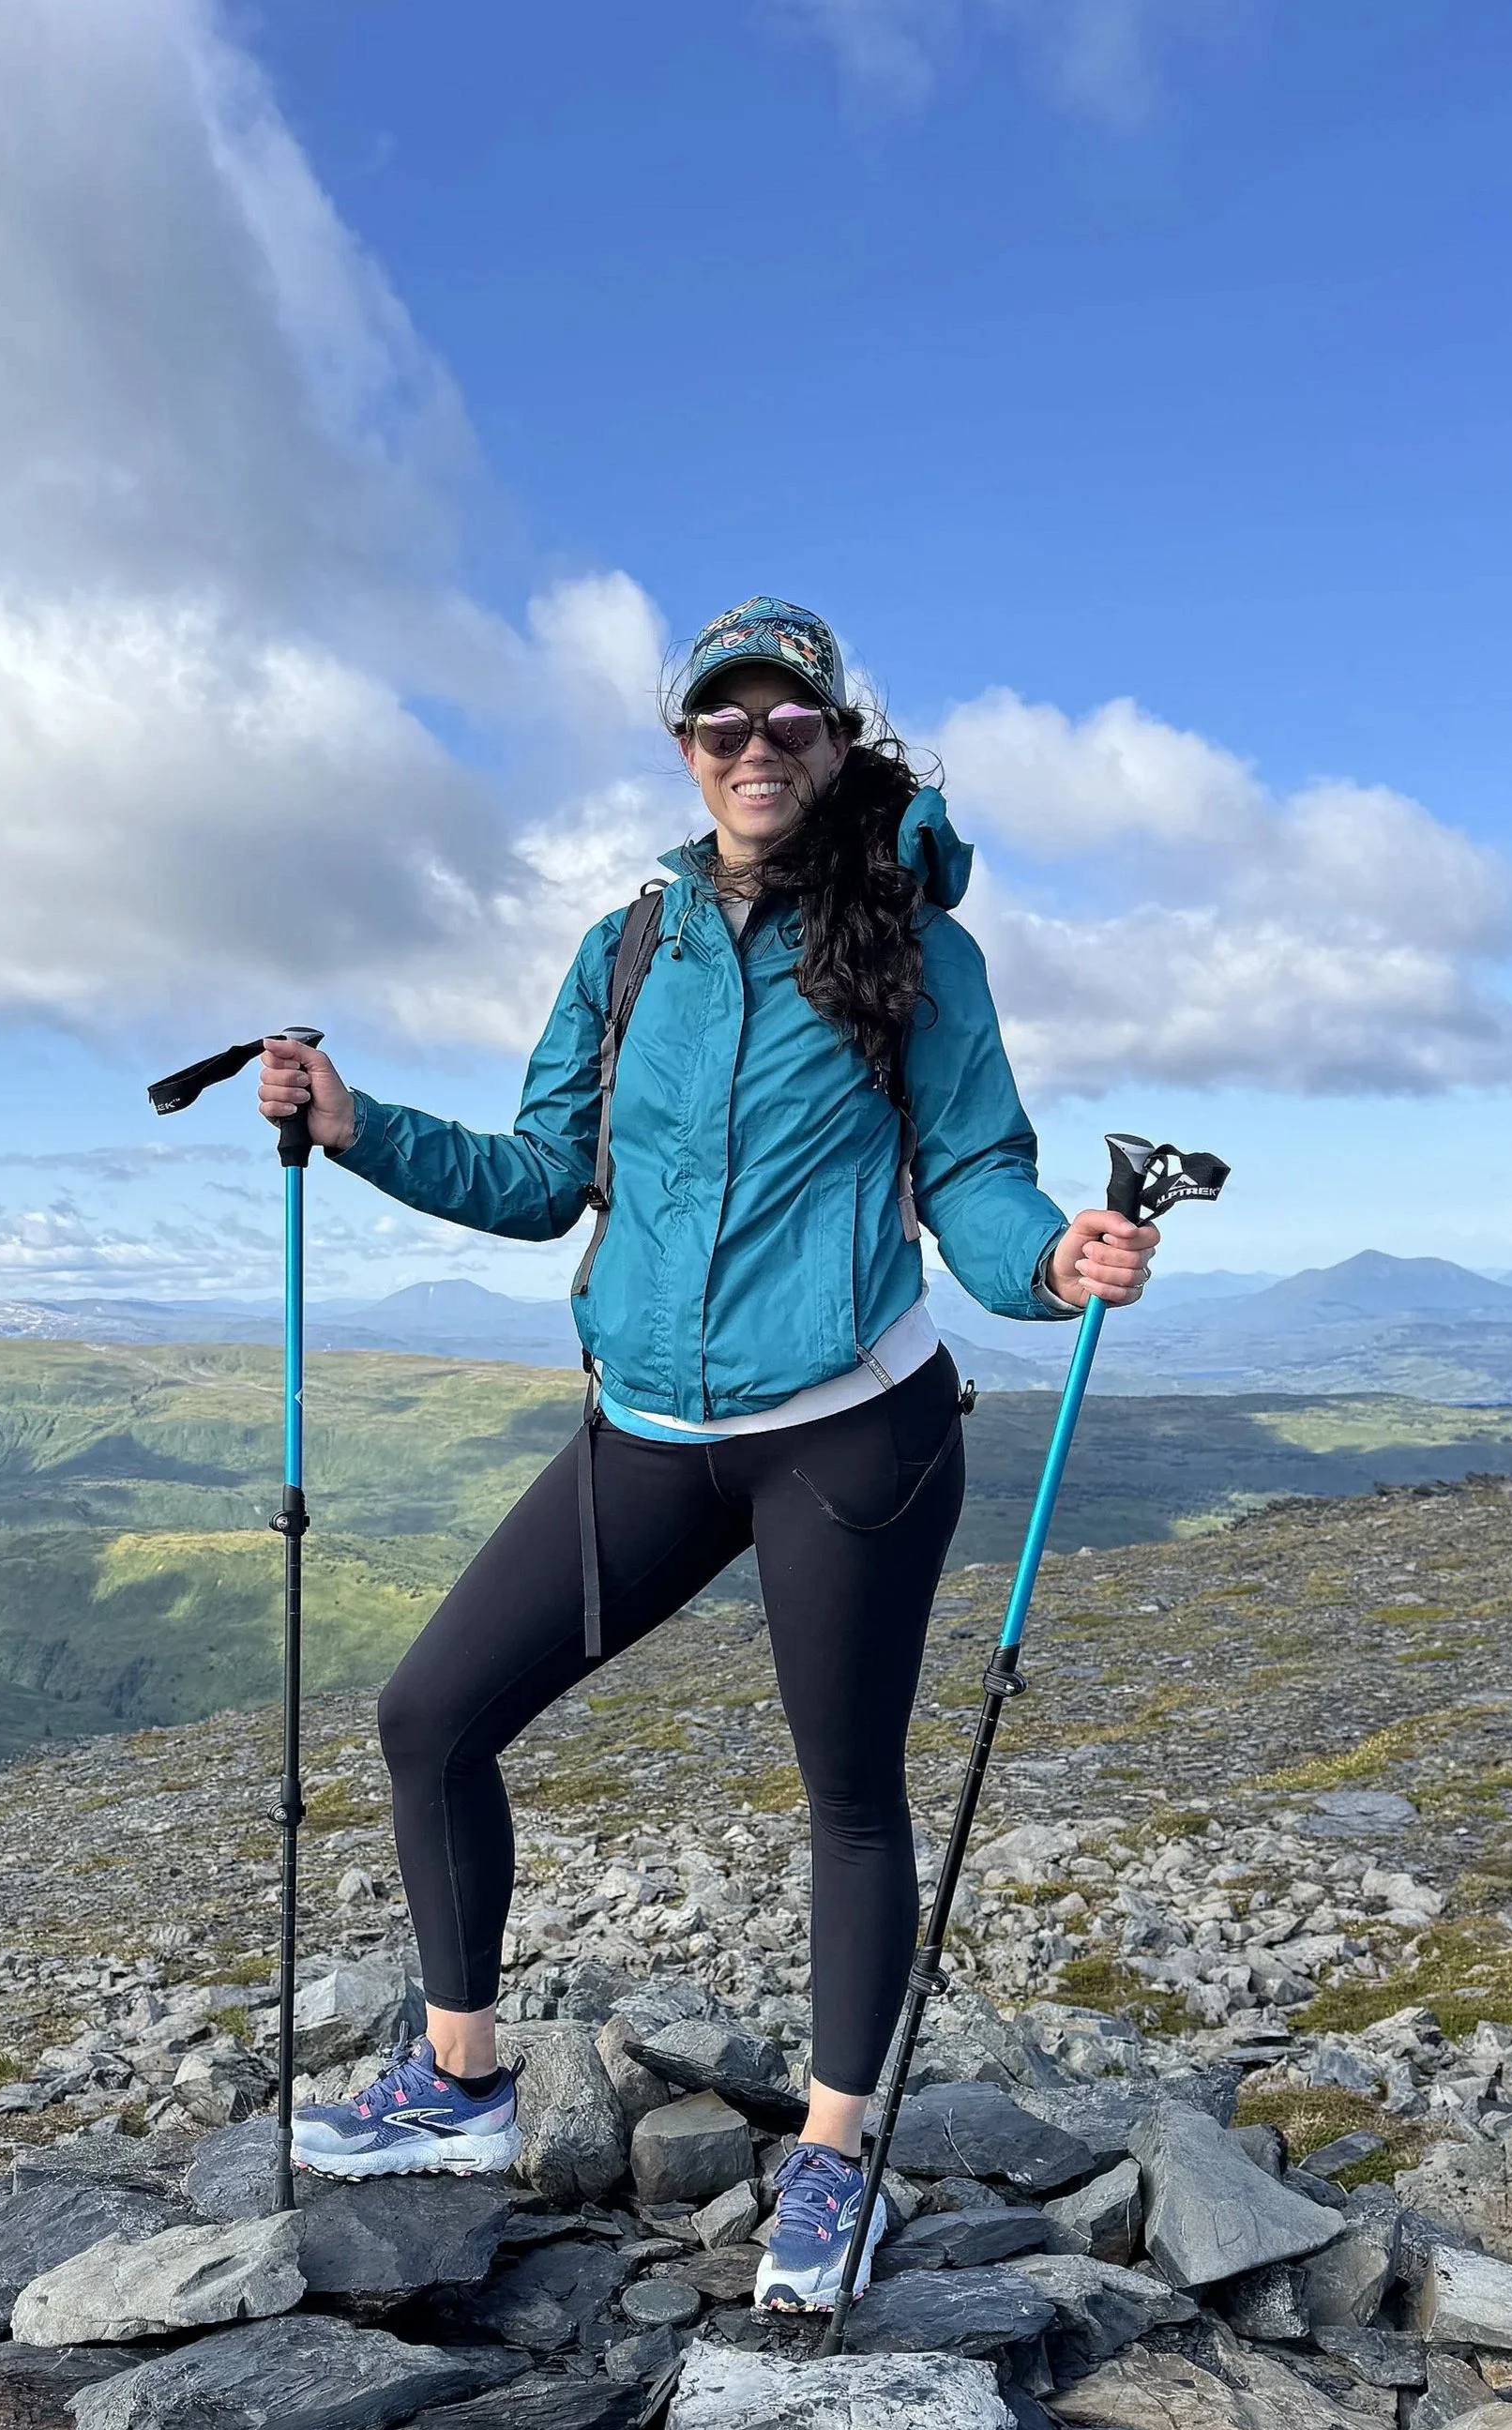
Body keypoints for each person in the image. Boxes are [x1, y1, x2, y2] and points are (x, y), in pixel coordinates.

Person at [258, 597, 1157, 2310]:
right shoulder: (627, 947)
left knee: (846, 1798)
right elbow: (539, 1178)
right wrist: (356, 1124)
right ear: (685, 751)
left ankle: (832, 2159)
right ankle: (455, 2078)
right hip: (648, 1432)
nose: (754, 750)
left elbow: (972, 1173)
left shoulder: (919, 951)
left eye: (786, 725)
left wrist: (1050, 1265)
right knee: (429, 1714)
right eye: (720, 726)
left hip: (849, 1435)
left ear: (835, 742)